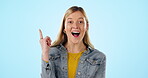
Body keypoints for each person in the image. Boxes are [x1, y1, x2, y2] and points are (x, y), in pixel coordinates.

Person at [39, 6, 106, 78]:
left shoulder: (99, 58)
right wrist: (45, 53)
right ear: (64, 28)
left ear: (86, 27)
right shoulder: (51, 53)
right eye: (70, 22)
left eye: (80, 22)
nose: (75, 26)